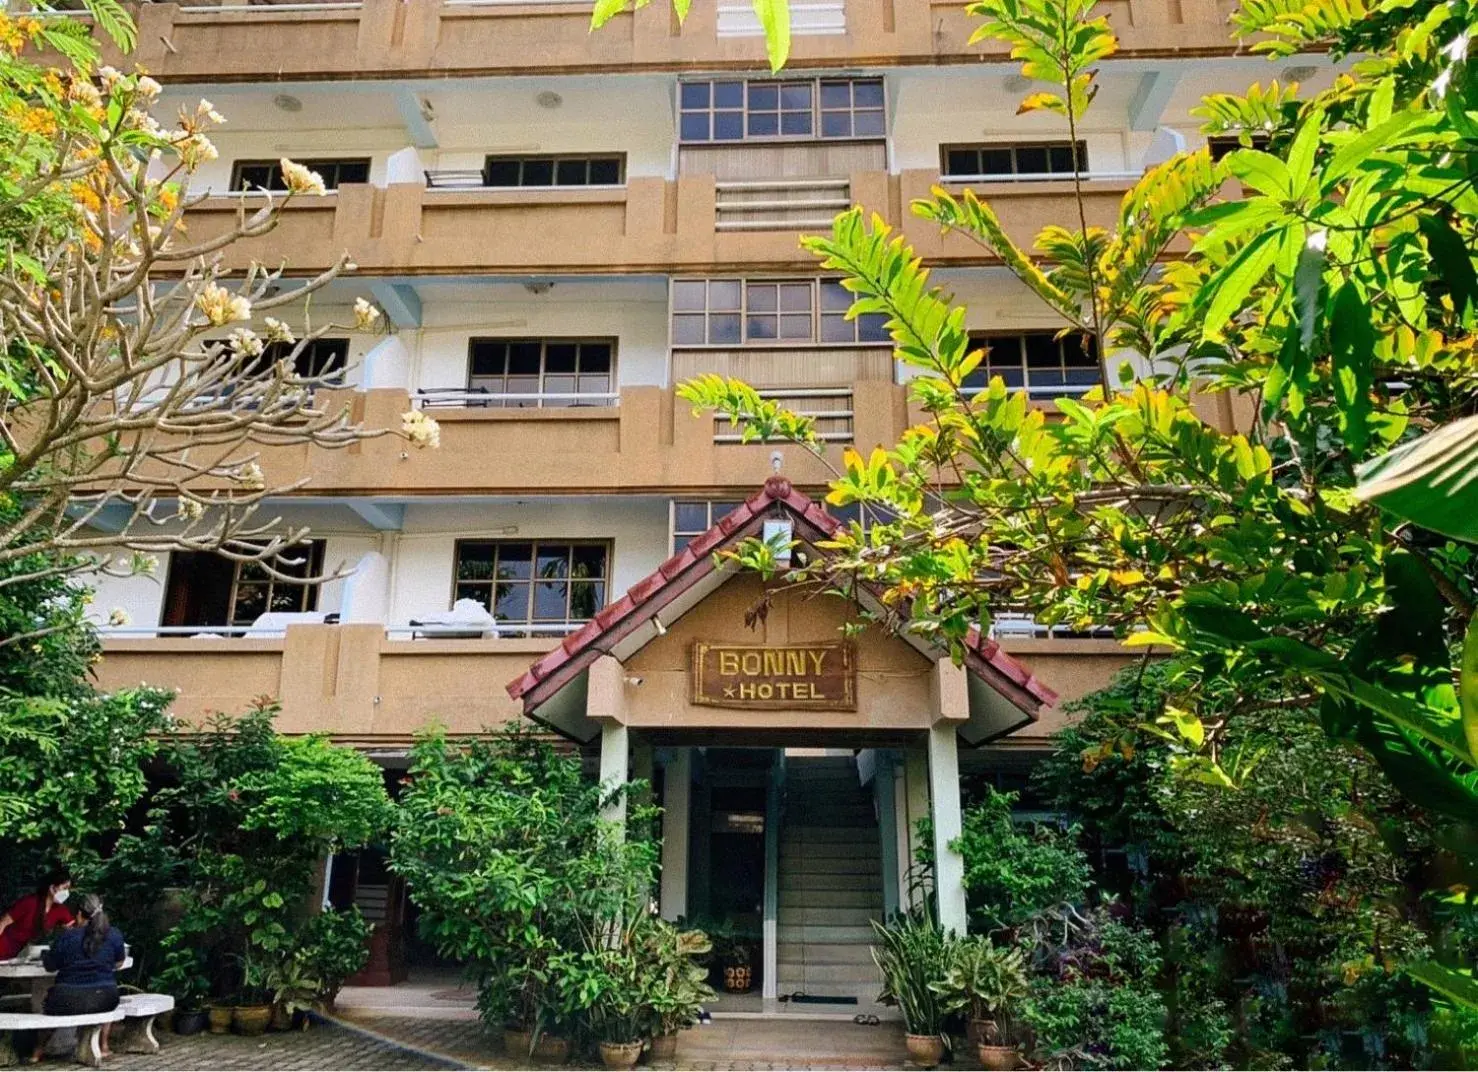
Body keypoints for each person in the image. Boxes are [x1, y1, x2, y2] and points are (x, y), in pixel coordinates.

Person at [35, 894, 125, 1061]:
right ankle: (103, 1046)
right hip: (106, 998)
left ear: (78, 914)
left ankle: (38, 1051)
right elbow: (119, 963)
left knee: (49, 1003)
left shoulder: (67, 937)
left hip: (68, 999)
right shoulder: (114, 934)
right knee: (107, 989)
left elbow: (50, 966)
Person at [0, 868, 74, 962]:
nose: (66, 892)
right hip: (3, 946)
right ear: (52, 888)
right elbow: (2, 922)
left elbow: (73, 930)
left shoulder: (61, 910)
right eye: (65, 888)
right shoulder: (29, 902)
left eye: (68, 889)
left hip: (21, 954)